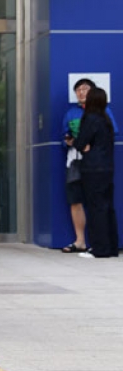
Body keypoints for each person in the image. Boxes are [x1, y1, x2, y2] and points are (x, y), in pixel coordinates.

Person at [60, 79, 118, 253]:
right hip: (98, 165)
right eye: (78, 89)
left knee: (96, 206)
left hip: (92, 165)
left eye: (85, 89)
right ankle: (103, 246)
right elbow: (67, 137)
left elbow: (83, 142)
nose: (81, 92)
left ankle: (99, 248)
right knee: (97, 204)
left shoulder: (95, 116)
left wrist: (81, 143)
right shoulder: (74, 114)